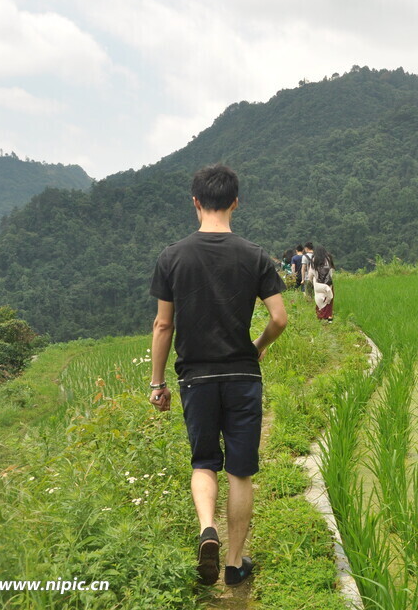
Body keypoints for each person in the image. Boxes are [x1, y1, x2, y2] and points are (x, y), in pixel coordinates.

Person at [148, 164, 287, 587]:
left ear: (195, 202)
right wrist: (257, 349)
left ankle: (206, 527)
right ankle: (233, 563)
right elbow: (279, 318)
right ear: (235, 202)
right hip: (243, 375)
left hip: (195, 378)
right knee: (240, 472)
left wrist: (157, 383)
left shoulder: (172, 256)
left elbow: (163, 326)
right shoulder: (255, 255)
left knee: (204, 461)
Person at [311, 246, 335, 323]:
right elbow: (331, 271)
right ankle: (329, 317)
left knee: (319, 299)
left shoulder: (314, 259)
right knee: (329, 299)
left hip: (318, 283)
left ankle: (320, 316)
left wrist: (313, 282)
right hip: (328, 283)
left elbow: (311, 273)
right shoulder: (328, 258)